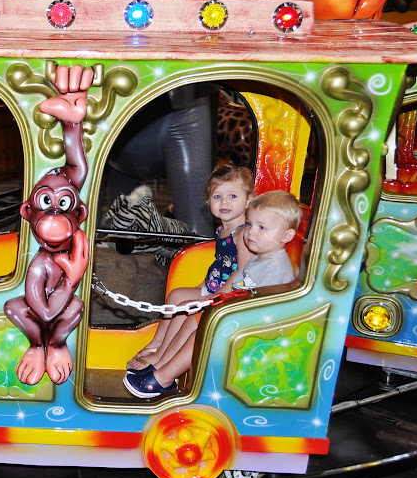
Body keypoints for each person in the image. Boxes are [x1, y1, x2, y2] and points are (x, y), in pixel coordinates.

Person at [124, 190, 302, 398]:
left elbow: (263, 308)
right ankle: (163, 366)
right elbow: (238, 287)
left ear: (286, 236)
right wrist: (212, 300)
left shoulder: (275, 268)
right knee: (193, 317)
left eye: (261, 227)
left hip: (256, 328)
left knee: (202, 332)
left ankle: (164, 378)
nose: (251, 232)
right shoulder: (259, 258)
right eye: (250, 224)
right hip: (237, 316)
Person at [126, 163, 254, 373]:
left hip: (229, 295)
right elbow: (220, 264)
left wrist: (216, 296)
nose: (224, 202)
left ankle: (162, 356)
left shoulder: (242, 234)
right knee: (176, 295)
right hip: (214, 288)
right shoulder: (222, 230)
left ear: (248, 200)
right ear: (208, 201)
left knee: (185, 307)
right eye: (217, 196)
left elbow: (242, 272)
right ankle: (157, 342)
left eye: (232, 196)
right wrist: (203, 286)